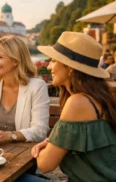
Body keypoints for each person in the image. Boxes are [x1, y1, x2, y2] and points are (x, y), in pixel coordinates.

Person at [18, 32, 116, 182]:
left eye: (54, 61)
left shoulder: (78, 102)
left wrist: (41, 147)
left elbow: (44, 164)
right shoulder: (99, 98)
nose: (49, 66)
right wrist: (51, 142)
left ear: (70, 68)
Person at [0, 35, 50, 143]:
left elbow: (40, 131)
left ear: (15, 60)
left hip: (26, 154)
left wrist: (10, 136)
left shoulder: (37, 87)